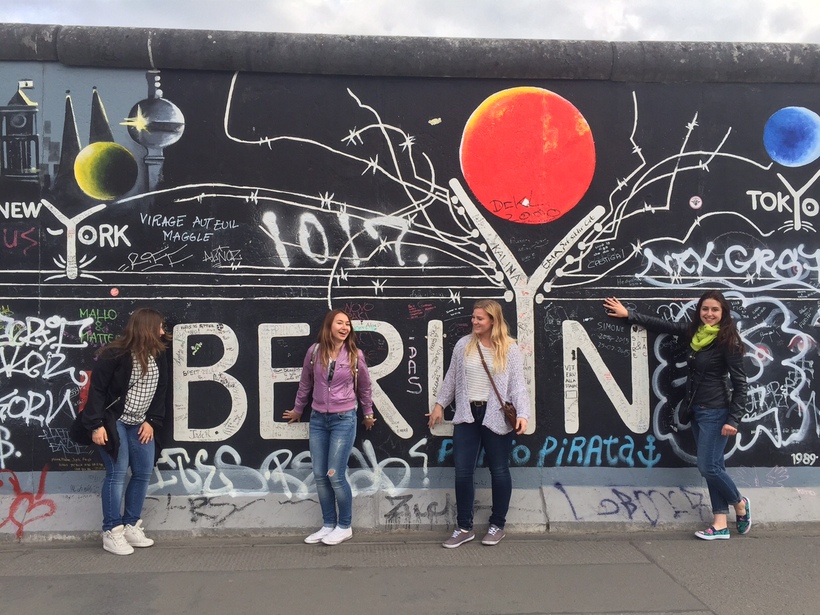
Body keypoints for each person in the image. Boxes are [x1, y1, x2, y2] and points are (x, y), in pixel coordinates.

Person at [603, 291, 751, 540]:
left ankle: (740, 504)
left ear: (723, 313)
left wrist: (733, 419)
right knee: (715, 466)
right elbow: (665, 325)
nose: (709, 314)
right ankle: (720, 523)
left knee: (708, 467)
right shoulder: (695, 333)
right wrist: (629, 315)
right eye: (705, 309)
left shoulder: (729, 343)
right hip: (696, 411)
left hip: (716, 412)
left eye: (715, 310)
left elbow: (741, 384)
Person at [427, 299, 530, 548]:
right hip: (466, 414)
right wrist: (440, 404)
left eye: (479, 318)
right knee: (463, 472)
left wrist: (523, 414)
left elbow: (517, 385)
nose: (474, 322)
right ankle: (464, 527)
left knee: (499, 471)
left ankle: (498, 525)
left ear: (493, 320)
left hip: (495, 413)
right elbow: (451, 377)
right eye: (473, 317)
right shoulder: (464, 345)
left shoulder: (509, 348)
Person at [81, 307, 169, 555]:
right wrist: (96, 425)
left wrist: (152, 420)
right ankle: (111, 531)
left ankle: (131, 525)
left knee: (142, 472)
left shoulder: (158, 353)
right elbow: (96, 391)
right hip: (113, 421)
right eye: (159, 327)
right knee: (117, 473)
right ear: (147, 328)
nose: (163, 331)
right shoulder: (114, 353)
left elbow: (161, 388)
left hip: (141, 422)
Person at [283, 309, 375, 546]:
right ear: (329, 326)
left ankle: (344, 526)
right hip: (317, 420)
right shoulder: (314, 352)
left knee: (335, 474)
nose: (345, 327)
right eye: (340, 323)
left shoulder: (355, 355)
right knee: (320, 476)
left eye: (348, 324)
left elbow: (364, 387)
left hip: (344, 419)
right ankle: (328, 524)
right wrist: (297, 409)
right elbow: (305, 382)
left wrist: (367, 413)